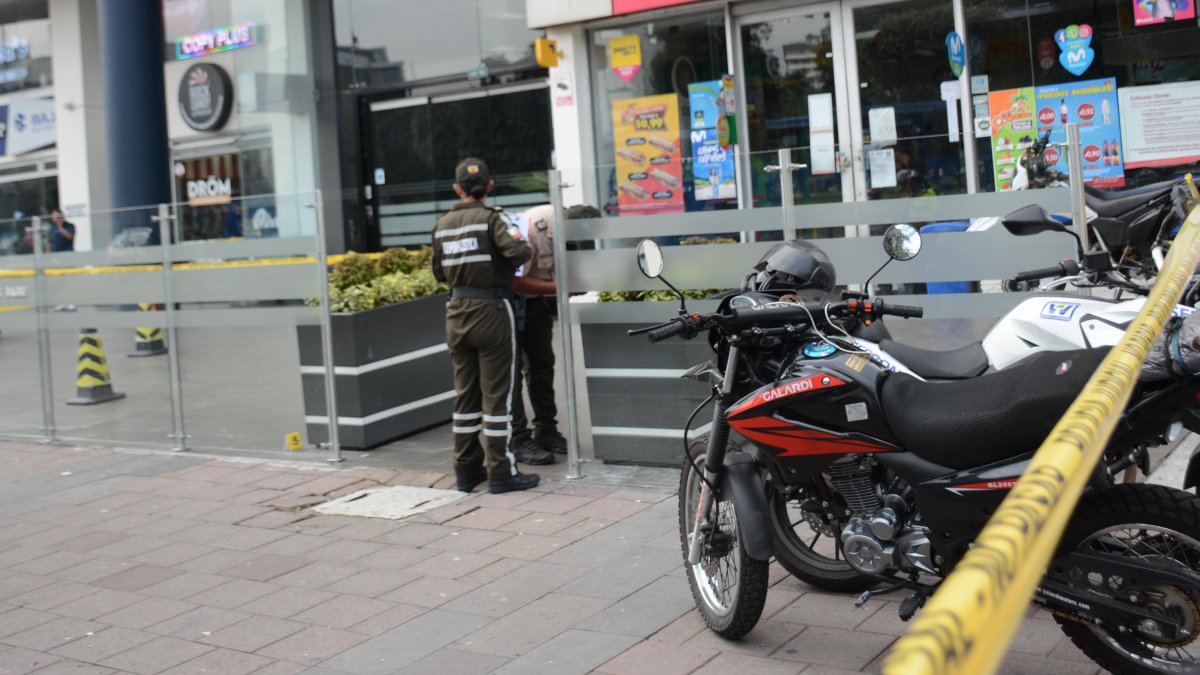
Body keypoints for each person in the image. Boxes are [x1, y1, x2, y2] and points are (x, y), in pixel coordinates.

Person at [432, 158, 538, 494]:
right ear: (489, 186)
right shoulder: (494, 219)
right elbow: (520, 251)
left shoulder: (442, 224)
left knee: (466, 395)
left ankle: (466, 470)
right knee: (498, 397)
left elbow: (438, 272)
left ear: (457, 189)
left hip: (456, 312)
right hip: (491, 310)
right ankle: (501, 473)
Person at [508, 203, 602, 464]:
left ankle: (546, 430)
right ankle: (518, 438)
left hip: (537, 301)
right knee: (511, 371)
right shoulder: (532, 227)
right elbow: (516, 281)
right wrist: (563, 288)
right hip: (511, 301)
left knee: (542, 365)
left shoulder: (577, 232)